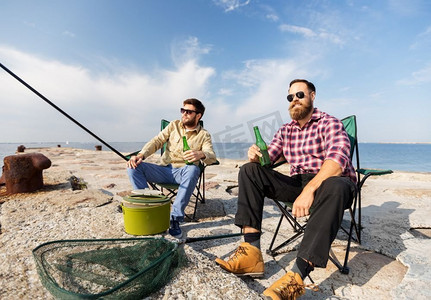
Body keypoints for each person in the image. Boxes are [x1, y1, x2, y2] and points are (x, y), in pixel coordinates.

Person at [215, 79, 357, 299]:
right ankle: (251, 252)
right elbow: (267, 158)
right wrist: (255, 155)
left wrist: (310, 190)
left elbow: (337, 162)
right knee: (249, 171)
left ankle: (297, 277)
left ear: (312, 95)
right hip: (298, 183)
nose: (294, 101)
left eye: (299, 95)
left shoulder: (329, 123)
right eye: (290, 98)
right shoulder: (286, 130)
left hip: (332, 183)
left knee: (335, 185)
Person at [127, 98, 217, 238]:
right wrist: (141, 155)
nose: (184, 114)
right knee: (133, 167)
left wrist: (201, 154)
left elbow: (211, 155)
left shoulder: (204, 135)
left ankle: (175, 218)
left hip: (184, 173)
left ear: (198, 115)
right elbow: (157, 141)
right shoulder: (174, 125)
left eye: (188, 111)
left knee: (194, 169)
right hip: (164, 169)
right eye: (183, 110)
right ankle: (146, 207)